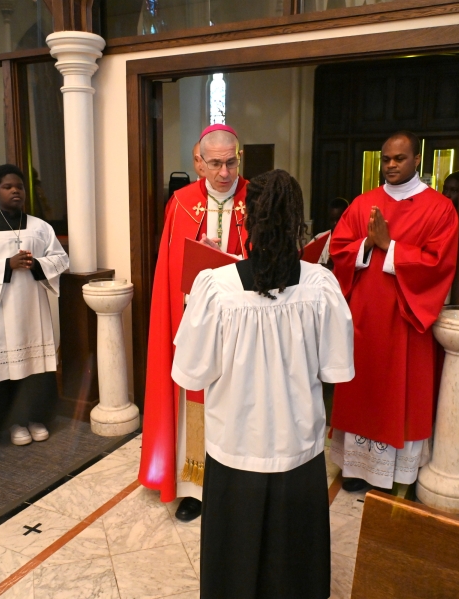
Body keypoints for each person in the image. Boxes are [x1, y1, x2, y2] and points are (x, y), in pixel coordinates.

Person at [173, 169, 354, 599]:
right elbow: (336, 370)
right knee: (294, 559)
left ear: (247, 217)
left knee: (235, 557)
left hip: (236, 445)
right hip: (298, 444)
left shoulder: (215, 288)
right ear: (298, 221)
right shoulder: (321, 285)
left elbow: (190, 373)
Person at [329, 131, 459, 495]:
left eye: (399, 159)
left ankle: (393, 474)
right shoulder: (363, 204)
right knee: (361, 390)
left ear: (416, 159)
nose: (390, 165)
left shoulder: (439, 209)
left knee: (399, 393)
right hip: (365, 317)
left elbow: (438, 264)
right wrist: (366, 244)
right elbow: (339, 250)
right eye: (386, 159)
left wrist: (391, 246)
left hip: (405, 319)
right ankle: (356, 468)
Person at [139, 124, 248, 522]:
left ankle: (238, 484)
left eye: (231, 162)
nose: (224, 173)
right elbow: (170, 274)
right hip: (196, 323)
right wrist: (198, 268)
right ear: (198, 162)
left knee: (238, 403)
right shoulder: (182, 203)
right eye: (215, 164)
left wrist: (236, 266)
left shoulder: (257, 199)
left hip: (243, 327)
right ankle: (197, 487)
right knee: (196, 404)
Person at [0, 164, 69, 446]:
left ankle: (36, 418)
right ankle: (14, 422)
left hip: (32, 309)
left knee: (34, 367)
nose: (15, 191)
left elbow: (60, 259)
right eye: (7, 187)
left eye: (19, 186)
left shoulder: (40, 227)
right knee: (6, 369)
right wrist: (7, 264)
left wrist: (37, 264)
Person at [317, 197, 349, 267]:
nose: (335, 223)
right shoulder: (319, 238)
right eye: (332, 219)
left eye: (338, 219)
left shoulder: (354, 240)